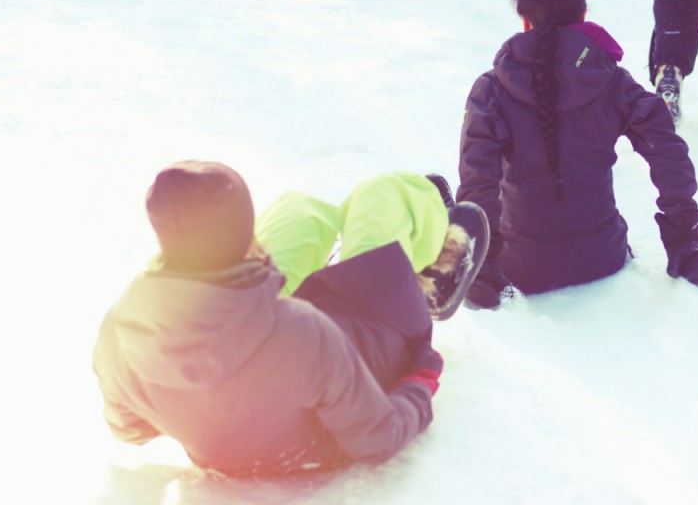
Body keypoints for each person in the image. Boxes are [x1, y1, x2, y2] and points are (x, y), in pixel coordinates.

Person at [92, 161, 487, 477]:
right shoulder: (302, 334)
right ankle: (433, 261)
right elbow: (378, 438)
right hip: (362, 341)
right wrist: (420, 380)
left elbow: (130, 427)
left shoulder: (120, 333)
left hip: (262, 336)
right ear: (246, 237)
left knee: (299, 210)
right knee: (385, 193)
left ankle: (257, 262)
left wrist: (201, 401)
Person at [456, 0, 698, 310]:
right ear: (582, 15)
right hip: (602, 257)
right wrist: (684, 237)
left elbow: (478, 179)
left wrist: (484, 263)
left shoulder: (492, 88)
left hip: (521, 268)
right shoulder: (611, 80)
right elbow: (666, 149)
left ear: (524, 21)